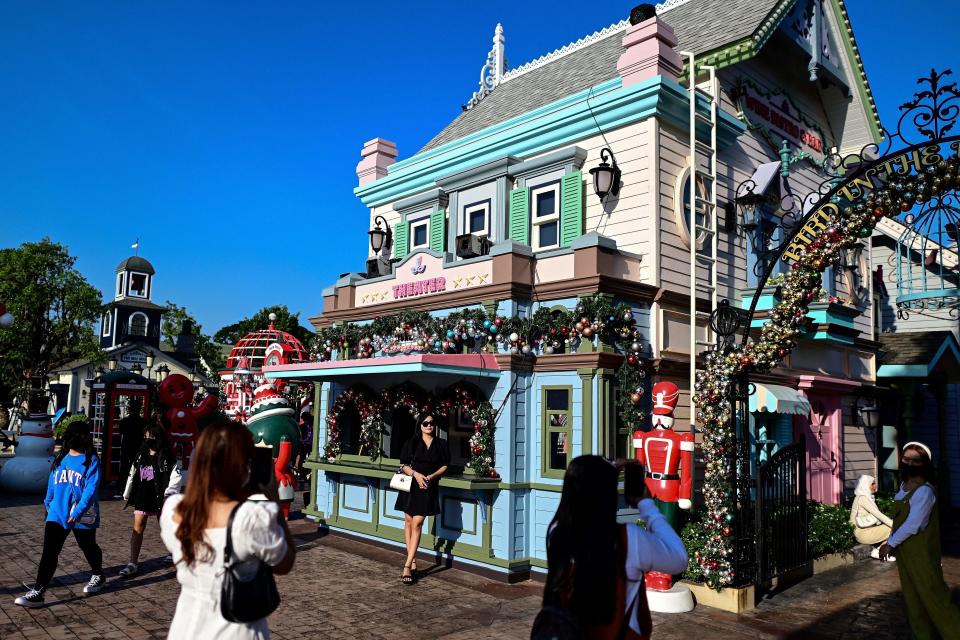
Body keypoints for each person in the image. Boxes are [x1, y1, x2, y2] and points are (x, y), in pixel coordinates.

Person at [159, 417, 296, 639]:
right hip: (236, 632)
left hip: (186, 628)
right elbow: (285, 562)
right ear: (239, 466)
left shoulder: (174, 511)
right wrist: (274, 503)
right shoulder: (250, 519)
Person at [537, 456, 688, 639]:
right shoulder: (628, 538)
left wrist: (606, 472)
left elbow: (574, 504)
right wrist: (646, 504)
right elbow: (679, 558)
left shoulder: (556, 532)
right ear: (608, 493)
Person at [14, 420, 105, 608]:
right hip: (57, 512)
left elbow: (90, 490)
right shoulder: (61, 458)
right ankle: (39, 591)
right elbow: (52, 482)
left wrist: (78, 510)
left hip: (82, 514)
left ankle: (98, 574)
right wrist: (48, 503)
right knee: (49, 552)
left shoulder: (92, 461)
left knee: (88, 546)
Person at [879, 442, 960, 639]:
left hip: (921, 554)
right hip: (906, 553)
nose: (910, 463)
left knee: (935, 600)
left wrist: (890, 543)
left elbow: (913, 524)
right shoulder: (904, 486)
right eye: (906, 459)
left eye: (916, 460)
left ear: (924, 464)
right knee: (913, 601)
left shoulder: (924, 491)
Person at [119, 423, 183, 578]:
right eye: (145, 436)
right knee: (138, 526)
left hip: (161, 496)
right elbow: (132, 473)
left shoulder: (167, 457)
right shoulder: (141, 455)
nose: (147, 439)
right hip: (143, 495)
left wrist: (168, 494)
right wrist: (127, 492)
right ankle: (133, 562)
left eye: (151, 436)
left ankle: (173, 551)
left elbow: (176, 476)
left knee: (165, 525)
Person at [395, 413, 449, 585]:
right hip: (411, 485)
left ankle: (406, 565)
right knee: (409, 521)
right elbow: (403, 465)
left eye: (432, 423)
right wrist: (417, 475)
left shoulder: (441, 444)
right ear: (420, 425)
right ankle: (414, 561)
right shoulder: (412, 442)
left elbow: (445, 464)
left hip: (428, 487)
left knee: (418, 523)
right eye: (425, 423)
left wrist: (431, 476)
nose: (429, 426)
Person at [849, 474, 894, 560]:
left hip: (865, 531)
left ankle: (881, 550)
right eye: (872, 484)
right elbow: (879, 515)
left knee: (892, 527)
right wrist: (896, 524)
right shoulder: (863, 499)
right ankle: (878, 552)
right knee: (893, 529)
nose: (875, 486)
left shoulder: (865, 497)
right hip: (862, 533)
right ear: (865, 485)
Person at [117, 398, 146, 497]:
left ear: (130, 409)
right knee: (138, 468)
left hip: (126, 446)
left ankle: (122, 488)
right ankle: (136, 488)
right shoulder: (143, 421)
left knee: (125, 468)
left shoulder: (125, 421)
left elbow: (120, 431)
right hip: (138, 447)